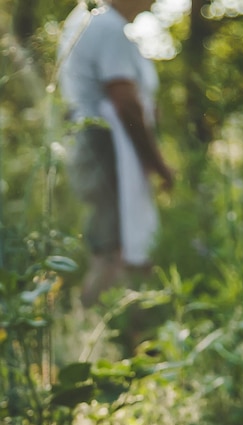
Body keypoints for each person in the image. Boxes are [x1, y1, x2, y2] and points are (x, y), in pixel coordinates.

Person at [57, 0, 174, 307]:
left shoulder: (84, 19)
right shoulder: (107, 25)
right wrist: (158, 164)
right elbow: (125, 102)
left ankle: (124, 334)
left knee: (113, 248)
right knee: (112, 253)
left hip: (91, 142)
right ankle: (88, 337)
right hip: (107, 147)